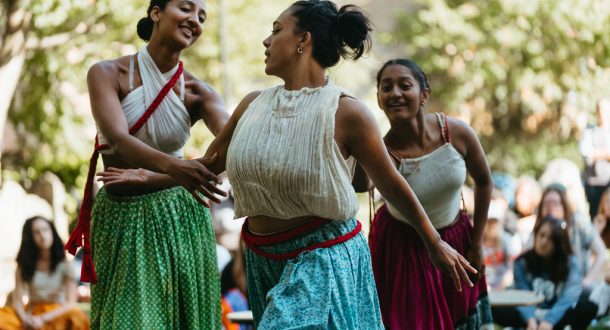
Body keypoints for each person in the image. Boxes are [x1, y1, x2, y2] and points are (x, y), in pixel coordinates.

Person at [99, 1, 478, 328]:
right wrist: (147, 178)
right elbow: (210, 164)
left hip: (322, 256)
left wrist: (434, 243)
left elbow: (391, 183)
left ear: (303, 40)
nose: (266, 40)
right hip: (263, 258)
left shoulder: (347, 112)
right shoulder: (252, 104)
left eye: (276, 30)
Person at [67, 0, 230, 328]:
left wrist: (158, 176)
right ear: (155, 12)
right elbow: (117, 138)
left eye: (201, 16)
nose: (194, 20)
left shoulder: (200, 92)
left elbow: (227, 151)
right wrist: (176, 167)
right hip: (120, 215)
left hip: (180, 215)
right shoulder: (106, 73)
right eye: (185, 8)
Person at [367, 59, 493, 329]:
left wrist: (478, 242)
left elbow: (484, 181)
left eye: (405, 85)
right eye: (386, 88)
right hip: (402, 248)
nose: (395, 93)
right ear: (379, 100)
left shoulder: (456, 133)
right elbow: (357, 182)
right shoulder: (379, 151)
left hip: (457, 239)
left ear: (424, 95)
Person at [492, 216, 598, 330]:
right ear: (536, 235)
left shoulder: (571, 263)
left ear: (559, 243)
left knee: (588, 307)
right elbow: (522, 293)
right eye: (542, 235)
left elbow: (569, 297)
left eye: (551, 239)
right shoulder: (522, 262)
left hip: (557, 313)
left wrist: (549, 321)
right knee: (493, 308)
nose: (544, 242)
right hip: (530, 314)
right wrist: (530, 320)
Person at [0, 216, 89, 330]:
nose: (43, 236)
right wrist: (25, 319)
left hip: (58, 312)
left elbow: (70, 302)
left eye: (45, 229)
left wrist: (43, 319)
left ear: (52, 231)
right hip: (32, 312)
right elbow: (17, 301)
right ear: (30, 237)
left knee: (78, 320)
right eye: (36, 232)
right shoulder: (24, 265)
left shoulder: (65, 264)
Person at [536, 184, 608, 289]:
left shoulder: (578, 223)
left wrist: (587, 280)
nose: (551, 208)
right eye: (547, 203)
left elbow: (601, 253)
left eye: (555, 203)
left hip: (578, 286)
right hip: (549, 287)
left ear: (564, 205)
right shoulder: (540, 227)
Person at [580, 98, 610, 218]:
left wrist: (596, 153)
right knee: (595, 215)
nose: (602, 112)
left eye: (605, 109)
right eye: (599, 109)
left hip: (609, 183)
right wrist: (606, 154)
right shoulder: (590, 131)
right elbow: (586, 153)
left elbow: (592, 153)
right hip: (593, 184)